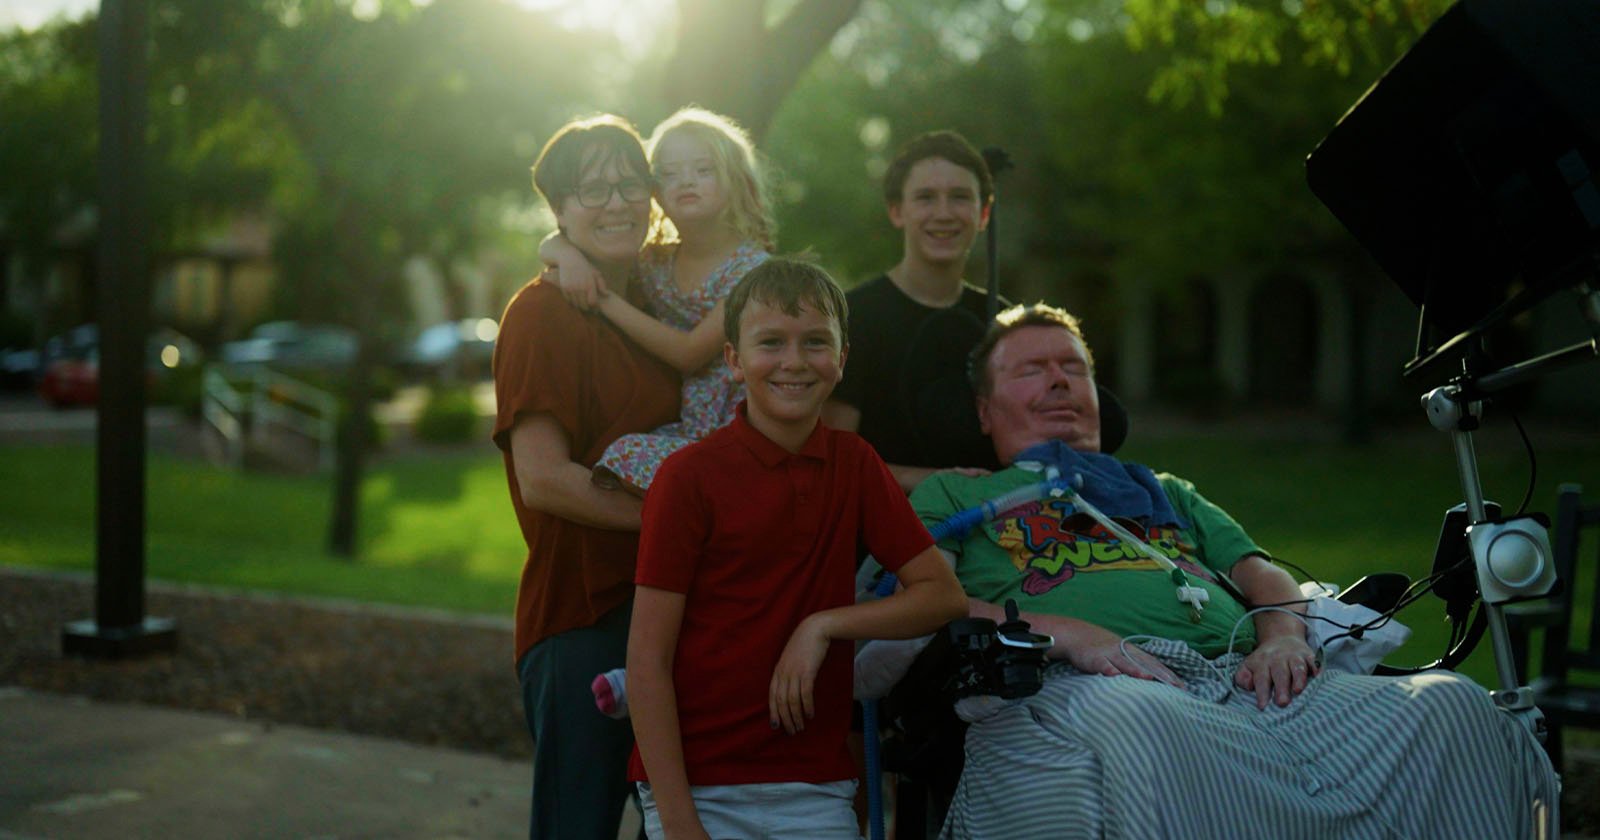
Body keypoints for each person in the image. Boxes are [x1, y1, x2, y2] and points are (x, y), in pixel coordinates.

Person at [907, 303, 1559, 838]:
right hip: (1089, 682)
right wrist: (1069, 634)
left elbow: (1262, 574)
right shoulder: (955, 498)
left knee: (1451, 707)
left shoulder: (1163, 490)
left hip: (1247, 676)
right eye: (1029, 370)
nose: (1057, 381)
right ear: (985, 412)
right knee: (1141, 722)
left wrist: (1280, 636)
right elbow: (923, 601)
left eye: (1072, 368)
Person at [626, 259, 969, 840]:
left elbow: (943, 596)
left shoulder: (855, 464)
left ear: (841, 359)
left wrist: (824, 625)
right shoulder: (688, 478)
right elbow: (646, 663)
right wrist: (680, 821)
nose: (793, 361)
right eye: (770, 343)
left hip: (813, 783)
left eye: (815, 342)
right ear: (734, 360)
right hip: (699, 785)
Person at [492, 114, 682, 840]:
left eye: (631, 182)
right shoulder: (540, 314)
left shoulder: (660, 308)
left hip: (676, 610)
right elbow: (544, 480)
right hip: (585, 617)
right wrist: (691, 526)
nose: (616, 201)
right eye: (592, 188)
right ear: (560, 212)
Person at [542, 106, 773, 493]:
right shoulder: (656, 260)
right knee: (621, 455)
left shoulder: (752, 272)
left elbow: (689, 353)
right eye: (668, 174)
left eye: (703, 170)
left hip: (736, 432)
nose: (686, 182)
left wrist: (599, 297)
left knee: (637, 460)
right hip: (686, 426)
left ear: (737, 182)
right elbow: (553, 240)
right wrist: (566, 256)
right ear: (653, 192)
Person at [824, 129, 1002, 493]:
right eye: (925, 198)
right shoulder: (850, 317)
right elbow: (830, 458)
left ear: (983, 213)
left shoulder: (1003, 323)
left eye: (960, 197)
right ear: (896, 211)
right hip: (882, 527)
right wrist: (932, 482)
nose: (943, 213)